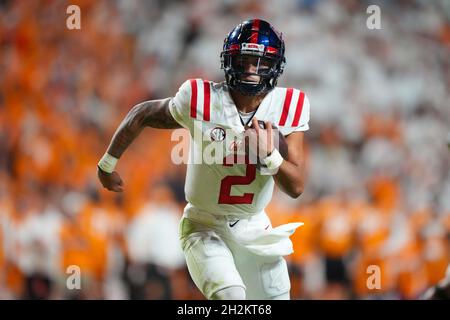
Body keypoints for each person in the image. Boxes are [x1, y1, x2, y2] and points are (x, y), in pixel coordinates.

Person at [97, 19, 310, 300]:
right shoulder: (200, 98)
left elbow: (296, 187)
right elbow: (142, 113)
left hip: (254, 226)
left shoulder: (290, 105)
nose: (250, 71)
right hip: (204, 224)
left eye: (259, 63)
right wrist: (107, 165)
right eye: (244, 60)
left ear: (275, 66)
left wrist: (269, 155)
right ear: (229, 60)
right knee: (232, 297)